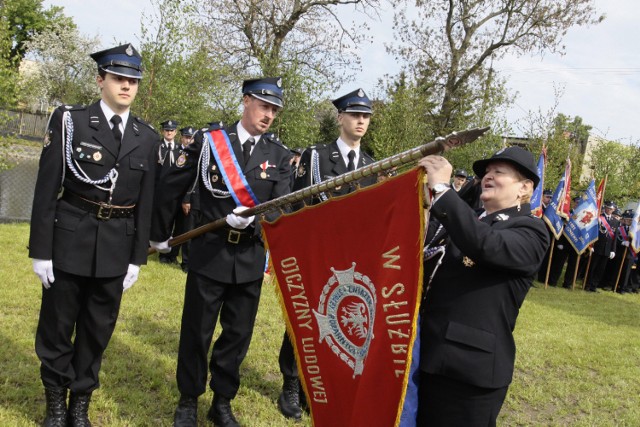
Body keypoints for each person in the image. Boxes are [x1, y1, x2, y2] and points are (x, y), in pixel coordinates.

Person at [150, 77, 292, 427]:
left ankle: (222, 401)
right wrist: (156, 234)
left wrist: (255, 224)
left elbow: (280, 211)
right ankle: (188, 399)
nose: (268, 114)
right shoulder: (211, 142)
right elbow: (172, 186)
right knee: (196, 331)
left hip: (248, 258)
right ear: (245, 101)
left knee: (237, 335)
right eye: (263, 105)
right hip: (209, 253)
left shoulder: (280, 155)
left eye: (274, 109)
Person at [29, 43, 158, 426]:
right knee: (57, 326)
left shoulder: (146, 137)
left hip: (116, 245)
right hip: (69, 238)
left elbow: (146, 202)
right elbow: (46, 187)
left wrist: (137, 256)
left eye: (133, 80)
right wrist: (41, 250)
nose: (126, 86)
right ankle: (55, 404)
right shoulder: (72, 122)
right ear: (100, 79)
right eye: (119, 78)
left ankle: (79, 406)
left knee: (97, 330)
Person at [418, 146, 549, 426]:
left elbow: (486, 244)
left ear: (524, 187)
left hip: (467, 373)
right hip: (426, 355)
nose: (488, 176)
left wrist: (443, 189)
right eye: (486, 172)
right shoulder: (469, 220)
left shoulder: (531, 230)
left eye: (499, 172)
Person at [276, 88, 377, 420]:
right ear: (340, 118)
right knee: (304, 318)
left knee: (333, 321)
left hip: (350, 260)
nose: (360, 121)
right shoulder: (316, 157)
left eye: (366, 116)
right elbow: (296, 202)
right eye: (355, 115)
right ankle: (291, 383)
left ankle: (314, 386)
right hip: (315, 252)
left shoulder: (371, 165)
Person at [156, 119, 183, 264]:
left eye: (172, 130)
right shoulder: (157, 147)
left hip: (176, 193)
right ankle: (161, 252)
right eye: (166, 130)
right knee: (163, 223)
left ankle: (172, 254)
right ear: (163, 131)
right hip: (159, 192)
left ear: (176, 132)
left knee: (177, 225)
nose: (169, 132)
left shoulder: (180, 149)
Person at [585, 200, 618, 292]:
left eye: (611, 209)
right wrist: (591, 245)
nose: (609, 210)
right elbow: (593, 232)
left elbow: (614, 237)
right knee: (592, 267)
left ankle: (594, 286)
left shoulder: (615, 221)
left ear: (613, 209)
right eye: (607, 208)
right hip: (597, 247)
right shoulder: (599, 218)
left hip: (607, 249)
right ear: (605, 208)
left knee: (601, 269)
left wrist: (613, 250)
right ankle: (587, 284)